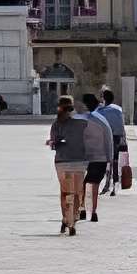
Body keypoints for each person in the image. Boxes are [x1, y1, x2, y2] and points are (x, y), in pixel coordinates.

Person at [49, 95, 88, 236]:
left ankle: (66, 218)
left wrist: (54, 143)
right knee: (77, 191)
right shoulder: (82, 121)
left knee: (65, 192)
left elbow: (53, 144)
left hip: (62, 162)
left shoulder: (57, 123)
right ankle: (74, 219)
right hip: (80, 161)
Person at [78, 93, 113, 223]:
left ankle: (82, 208)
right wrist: (109, 158)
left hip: (82, 157)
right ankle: (93, 212)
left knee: (82, 184)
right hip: (100, 157)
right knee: (95, 185)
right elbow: (108, 140)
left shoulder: (78, 119)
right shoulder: (102, 120)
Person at [97, 88, 127, 197]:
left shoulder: (100, 111)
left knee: (105, 162)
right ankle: (114, 184)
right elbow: (121, 126)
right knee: (115, 161)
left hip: (106, 139)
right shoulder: (118, 109)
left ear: (103, 99)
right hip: (118, 138)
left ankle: (107, 184)